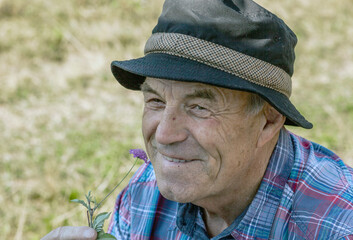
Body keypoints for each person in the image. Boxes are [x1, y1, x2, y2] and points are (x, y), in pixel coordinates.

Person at [42, 0, 353, 239]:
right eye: (155, 101)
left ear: (268, 121)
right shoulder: (144, 193)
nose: (164, 135)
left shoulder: (336, 226)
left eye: (199, 107)